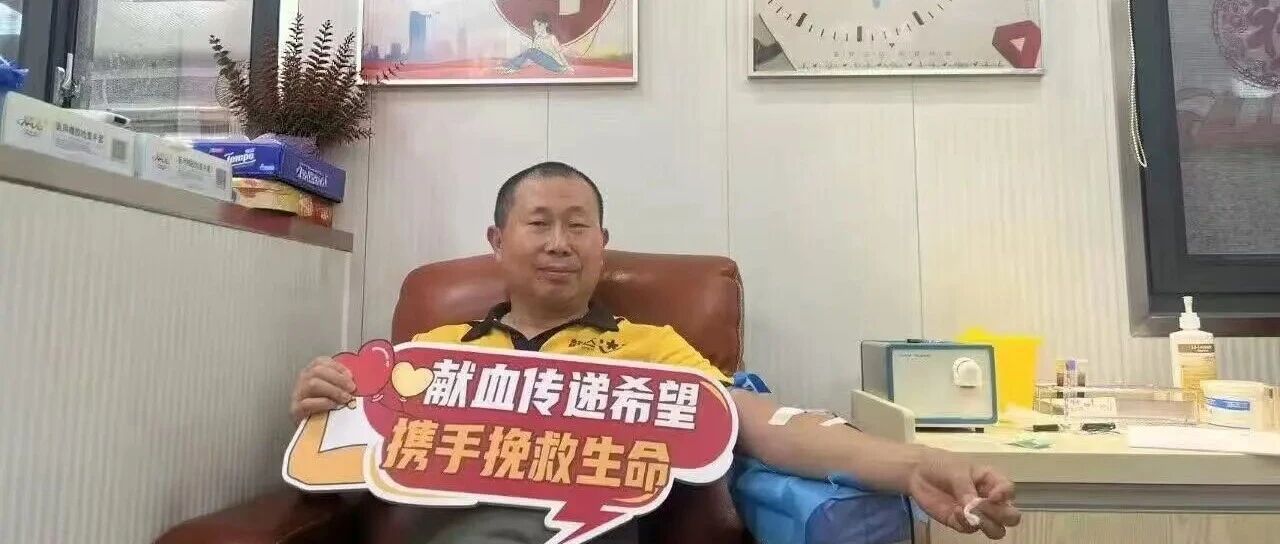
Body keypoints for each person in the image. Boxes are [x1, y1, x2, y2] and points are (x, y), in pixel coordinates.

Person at [289, 162, 1022, 543]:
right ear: (497, 243)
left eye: (578, 225)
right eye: (538, 223)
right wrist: (328, 406)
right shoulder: (431, 354)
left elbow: (769, 425)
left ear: (602, 246)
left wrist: (915, 464)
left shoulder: (648, 352)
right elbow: (352, 463)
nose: (559, 243)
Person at [498, 14, 575, 75]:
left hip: (556, 65)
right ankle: (508, 65)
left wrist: (567, 66)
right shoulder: (537, 38)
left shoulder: (551, 37)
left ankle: (512, 66)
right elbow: (532, 55)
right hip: (546, 63)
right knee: (528, 51)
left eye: (539, 24)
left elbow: (559, 53)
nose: (536, 28)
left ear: (546, 24)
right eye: (534, 26)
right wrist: (525, 62)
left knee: (530, 51)